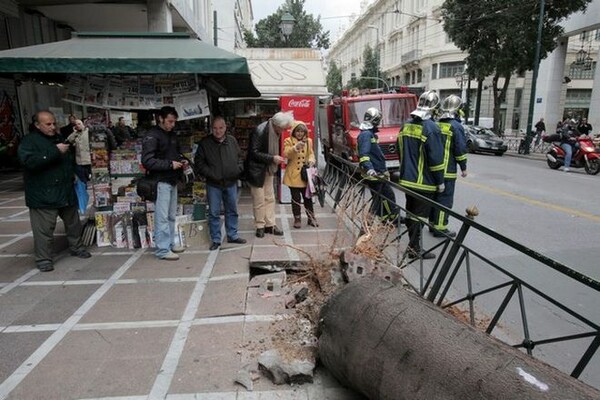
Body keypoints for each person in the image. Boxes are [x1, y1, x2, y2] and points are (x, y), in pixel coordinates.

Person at [17, 110, 91, 272]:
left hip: (65, 190)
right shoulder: (29, 141)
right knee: (43, 230)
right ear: (37, 125)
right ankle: (44, 258)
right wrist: (55, 151)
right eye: (48, 124)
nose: (52, 127)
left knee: (73, 224)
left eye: (54, 123)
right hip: (43, 194)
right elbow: (29, 162)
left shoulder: (58, 137)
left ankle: (77, 247)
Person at [396, 90, 445, 259]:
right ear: (435, 109)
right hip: (424, 183)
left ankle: (413, 246)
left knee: (410, 214)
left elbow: (399, 150)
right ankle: (414, 249)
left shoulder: (406, 125)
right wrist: (440, 182)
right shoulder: (432, 128)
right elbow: (436, 159)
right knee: (420, 217)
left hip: (407, 180)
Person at [194, 116, 247, 251]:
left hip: (231, 182)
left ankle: (232, 235)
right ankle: (216, 239)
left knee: (232, 210)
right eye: (215, 128)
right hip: (213, 183)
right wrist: (211, 173)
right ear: (212, 129)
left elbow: (240, 157)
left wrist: (238, 170)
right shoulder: (205, 143)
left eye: (220, 128)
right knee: (214, 212)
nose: (218, 131)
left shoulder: (232, 141)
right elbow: (199, 163)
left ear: (225, 128)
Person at [141, 106, 187, 260]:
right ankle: (162, 249)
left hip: (172, 179)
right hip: (160, 181)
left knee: (171, 215)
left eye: (174, 122)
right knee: (162, 216)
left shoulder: (171, 134)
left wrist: (182, 161)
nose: (172, 124)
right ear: (161, 119)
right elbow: (147, 161)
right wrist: (169, 164)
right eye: (170, 121)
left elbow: (176, 153)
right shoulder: (152, 136)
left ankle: (170, 244)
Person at [245, 111, 294, 238]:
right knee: (259, 199)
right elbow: (253, 152)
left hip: (267, 169)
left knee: (270, 197)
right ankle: (260, 225)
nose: (283, 131)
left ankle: (270, 224)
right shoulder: (260, 131)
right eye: (283, 128)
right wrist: (272, 158)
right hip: (257, 170)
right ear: (277, 125)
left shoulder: (274, 130)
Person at [430, 95, 468, 237]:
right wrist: (463, 167)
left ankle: (432, 223)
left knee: (434, 198)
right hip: (447, 171)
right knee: (444, 200)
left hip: (434, 170)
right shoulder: (456, 127)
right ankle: (440, 228)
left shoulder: (436, 124)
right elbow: (460, 149)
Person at [357, 107, 398, 225]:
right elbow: (364, 154)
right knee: (387, 196)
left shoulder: (368, 133)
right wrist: (370, 168)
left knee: (379, 198)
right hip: (375, 174)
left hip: (376, 172)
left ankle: (385, 218)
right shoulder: (366, 135)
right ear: (374, 121)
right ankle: (392, 219)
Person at [283, 121, 318, 229]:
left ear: (305, 132)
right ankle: (297, 219)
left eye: (302, 131)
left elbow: (311, 153)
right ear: (294, 131)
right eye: (297, 131)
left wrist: (312, 160)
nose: (299, 133)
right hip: (293, 175)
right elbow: (286, 154)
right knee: (295, 198)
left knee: (307, 198)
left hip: (305, 175)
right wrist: (295, 147)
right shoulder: (288, 141)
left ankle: (311, 218)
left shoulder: (309, 141)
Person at [66, 119, 91, 183]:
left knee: (90, 179)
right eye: (75, 124)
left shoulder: (88, 132)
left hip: (89, 160)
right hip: (79, 161)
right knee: (82, 180)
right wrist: (75, 133)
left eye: (79, 124)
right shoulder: (75, 134)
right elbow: (68, 140)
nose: (77, 126)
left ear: (83, 124)